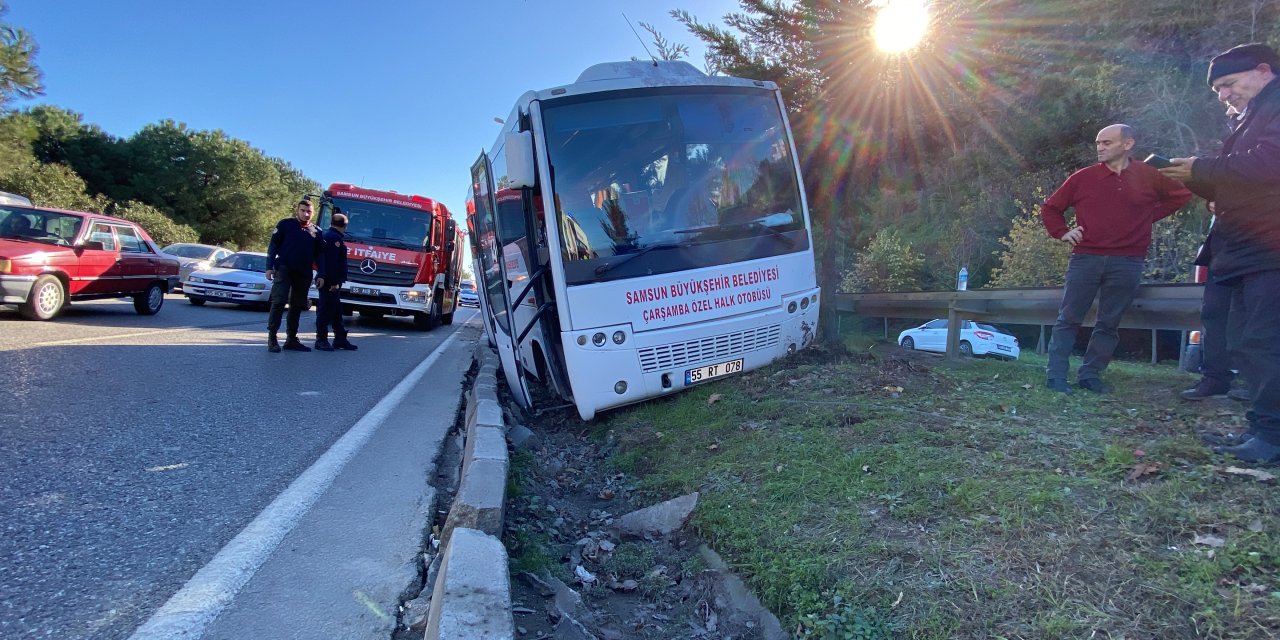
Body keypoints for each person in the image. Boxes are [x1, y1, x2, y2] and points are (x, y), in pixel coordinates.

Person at [1159, 43, 1280, 464]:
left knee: (1265, 341)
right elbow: (1249, 177)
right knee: (1250, 342)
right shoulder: (1252, 117)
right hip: (1244, 247)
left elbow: (1270, 164)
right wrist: (1203, 184)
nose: (1224, 95)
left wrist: (1203, 169)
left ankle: (1271, 437)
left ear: (1263, 70)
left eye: (1228, 84)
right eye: (1217, 91)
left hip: (1269, 248)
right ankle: (1262, 430)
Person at [1041, 124, 1193, 394]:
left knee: (1109, 322)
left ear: (1127, 144)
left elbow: (1181, 196)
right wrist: (1063, 232)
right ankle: (1056, 377)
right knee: (1069, 318)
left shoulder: (1148, 176)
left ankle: (1090, 375)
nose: (1100, 148)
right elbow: (1051, 208)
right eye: (1098, 143)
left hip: (1128, 260)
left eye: (1107, 143)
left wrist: (1147, 217)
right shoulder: (1083, 178)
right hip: (1086, 257)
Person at [1180, 201, 1247, 402]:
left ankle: (1253, 381)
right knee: (1213, 313)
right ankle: (1215, 377)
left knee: (1254, 317)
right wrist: (1212, 202)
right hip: (1221, 249)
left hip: (1260, 247)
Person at [265, 199, 320, 353]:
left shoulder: (316, 231)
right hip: (284, 269)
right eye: (303, 210)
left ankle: (291, 339)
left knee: (297, 305)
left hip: (303, 273)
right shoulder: (285, 224)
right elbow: (273, 245)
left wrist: (321, 273)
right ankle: (272, 338)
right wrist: (269, 267)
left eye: (309, 211)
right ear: (297, 210)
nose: (305, 214)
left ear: (313, 212)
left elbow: (319, 256)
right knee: (279, 302)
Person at [314, 212, 357, 352]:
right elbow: (331, 263)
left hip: (329, 279)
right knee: (325, 311)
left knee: (336, 311)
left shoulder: (330, 236)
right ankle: (321, 340)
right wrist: (333, 282)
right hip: (329, 281)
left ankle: (340, 339)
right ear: (344, 226)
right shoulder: (334, 239)